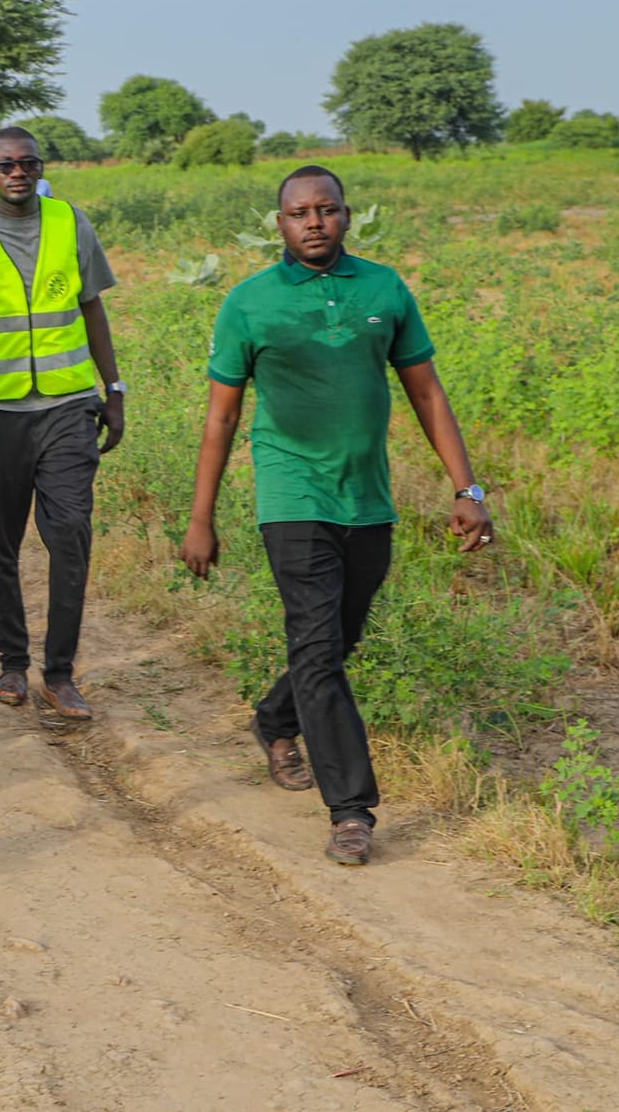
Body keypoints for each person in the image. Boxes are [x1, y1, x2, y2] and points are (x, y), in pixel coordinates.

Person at [181, 165, 493, 867]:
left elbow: (427, 393)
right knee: (317, 644)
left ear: (348, 216)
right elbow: (222, 416)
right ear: (280, 223)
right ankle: (351, 809)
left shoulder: (384, 289)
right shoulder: (249, 302)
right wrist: (201, 518)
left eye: (326, 210)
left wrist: (468, 490)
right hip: (291, 497)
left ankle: (274, 718)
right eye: (298, 213)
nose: (313, 222)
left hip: (367, 497)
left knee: (339, 636)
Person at [0, 125, 124, 722]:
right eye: (5, 164)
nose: (17, 172)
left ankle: (59, 673)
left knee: (70, 534)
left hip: (68, 407)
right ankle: (13, 662)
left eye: (27, 163)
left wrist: (113, 391)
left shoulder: (71, 222)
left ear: (40, 168)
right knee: (2, 545)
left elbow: (93, 307)